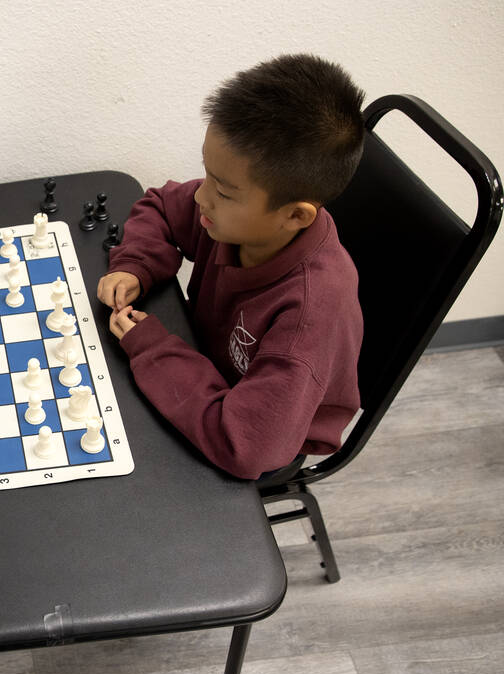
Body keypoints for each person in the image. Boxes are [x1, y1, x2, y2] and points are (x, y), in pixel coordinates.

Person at [97, 53, 365, 480]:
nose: (202, 197)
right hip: (203, 373)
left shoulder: (308, 319)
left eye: (223, 190)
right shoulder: (230, 219)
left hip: (256, 439)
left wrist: (153, 349)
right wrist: (135, 265)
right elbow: (162, 206)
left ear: (295, 216)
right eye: (207, 175)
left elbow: (247, 448)